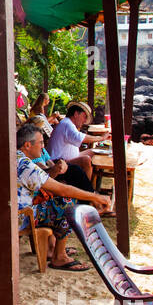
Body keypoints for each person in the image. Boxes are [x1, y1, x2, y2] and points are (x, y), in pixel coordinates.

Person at [17, 124, 111, 270]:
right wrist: (96, 197)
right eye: (41, 143)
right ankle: (59, 257)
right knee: (67, 204)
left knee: (54, 199)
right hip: (21, 217)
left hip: (11, 210)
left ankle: (51, 248)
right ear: (28, 145)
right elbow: (63, 190)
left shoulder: (16, 157)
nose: (43, 147)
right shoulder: (26, 166)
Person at [47, 101, 107, 180]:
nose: (85, 121)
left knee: (95, 151)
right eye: (84, 117)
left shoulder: (67, 123)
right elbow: (81, 138)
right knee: (86, 160)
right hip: (58, 163)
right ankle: (86, 189)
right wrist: (101, 138)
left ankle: (96, 180)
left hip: (68, 158)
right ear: (76, 114)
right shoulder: (67, 124)